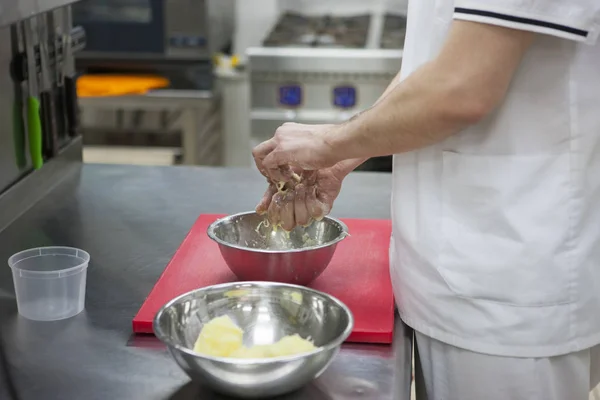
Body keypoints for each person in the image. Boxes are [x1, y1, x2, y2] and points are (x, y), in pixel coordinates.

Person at [253, 0, 600, 399]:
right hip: (459, 269)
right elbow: (434, 61)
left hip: (508, 285)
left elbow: (461, 87)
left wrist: (329, 142)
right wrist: (341, 158)